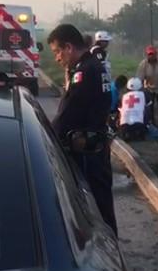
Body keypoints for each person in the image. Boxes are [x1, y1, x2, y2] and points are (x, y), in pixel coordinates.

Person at [48, 24, 117, 235]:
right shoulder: (92, 66)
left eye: (57, 52)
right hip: (95, 144)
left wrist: (47, 138)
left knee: (93, 203)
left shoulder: (84, 72)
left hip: (87, 148)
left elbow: (68, 114)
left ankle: (108, 253)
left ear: (68, 47)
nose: (57, 58)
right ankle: (110, 243)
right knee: (101, 201)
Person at [136, 45, 158, 131]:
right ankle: (152, 126)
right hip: (149, 89)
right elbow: (139, 79)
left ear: (156, 54)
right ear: (147, 55)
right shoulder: (143, 64)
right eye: (149, 54)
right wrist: (141, 91)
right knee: (149, 108)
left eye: (152, 54)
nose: (151, 56)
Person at [118, 77, 147, 142]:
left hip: (124, 125)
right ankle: (141, 133)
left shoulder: (124, 96)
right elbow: (147, 109)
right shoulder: (143, 95)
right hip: (138, 124)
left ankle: (127, 134)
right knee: (146, 110)